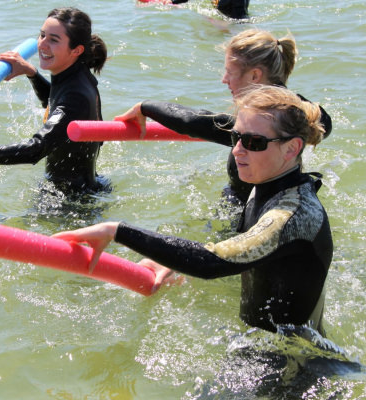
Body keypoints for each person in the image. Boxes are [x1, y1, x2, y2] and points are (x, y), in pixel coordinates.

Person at [54, 85, 333, 335]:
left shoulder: (292, 214)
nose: (236, 151)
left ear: (291, 148)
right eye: (236, 136)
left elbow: (211, 262)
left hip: (294, 364)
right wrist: (176, 259)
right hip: (261, 343)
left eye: (252, 143)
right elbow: (196, 120)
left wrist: (116, 231)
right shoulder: (268, 175)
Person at [116, 29, 332, 204]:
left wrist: (145, 106)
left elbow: (194, 121)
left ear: (255, 75)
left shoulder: (262, 124)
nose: (224, 79)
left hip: (254, 219)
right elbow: (325, 122)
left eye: (230, 71)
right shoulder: (295, 114)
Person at [0, 7, 109, 193]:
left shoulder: (75, 95)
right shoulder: (77, 77)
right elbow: (58, 109)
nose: (42, 45)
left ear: (76, 50)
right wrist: (32, 73)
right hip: (83, 187)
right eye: (42, 35)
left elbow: (37, 148)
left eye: (53, 40)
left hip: (71, 202)